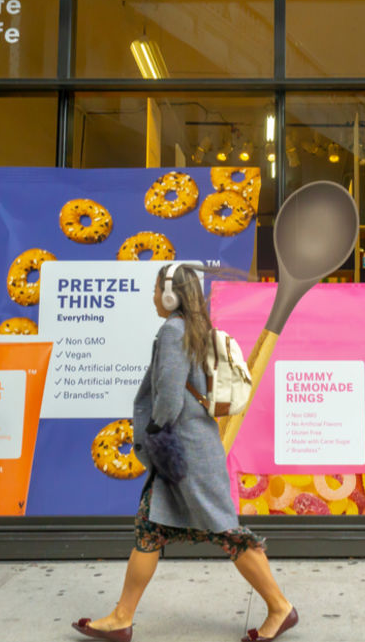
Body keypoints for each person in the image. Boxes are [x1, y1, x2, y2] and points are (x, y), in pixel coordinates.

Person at [72, 263, 297, 642]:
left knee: (226, 532)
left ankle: (280, 606)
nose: (152, 296)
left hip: (185, 455)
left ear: (170, 295)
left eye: (156, 289)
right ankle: (121, 617)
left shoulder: (172, 331)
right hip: (186, 452)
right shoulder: (194, 329)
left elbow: (169, 398)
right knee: (149, 530)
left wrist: (154, 430)